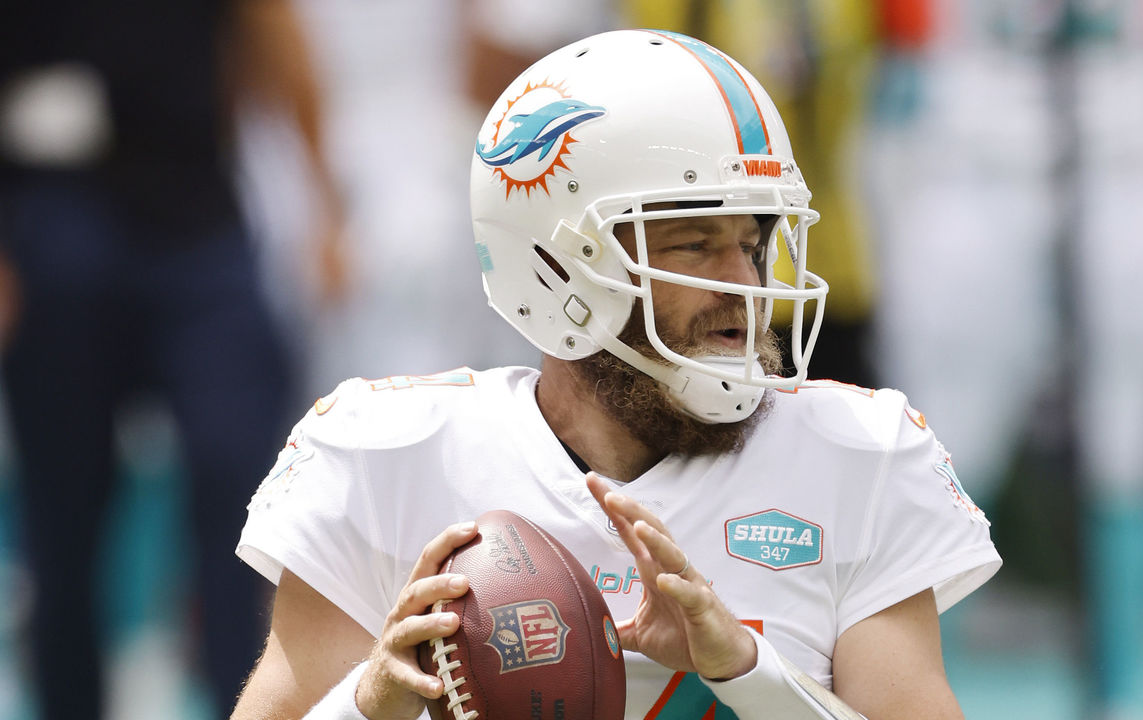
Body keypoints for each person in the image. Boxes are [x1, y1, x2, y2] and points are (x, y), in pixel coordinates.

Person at [231, 29, 1000, 720]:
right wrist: (368, 707)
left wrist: (748, 671)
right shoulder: (387, 459)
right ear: (559, 268)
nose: (744, 283)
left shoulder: (854, 457)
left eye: (755, 239)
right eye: (695, 244)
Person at [0, 1, 342, 717]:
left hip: (197, 217)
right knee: (63, 517)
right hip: (51, 223)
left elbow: (269, 29)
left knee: (247, 495)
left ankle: (244, 704)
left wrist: (325, 200)